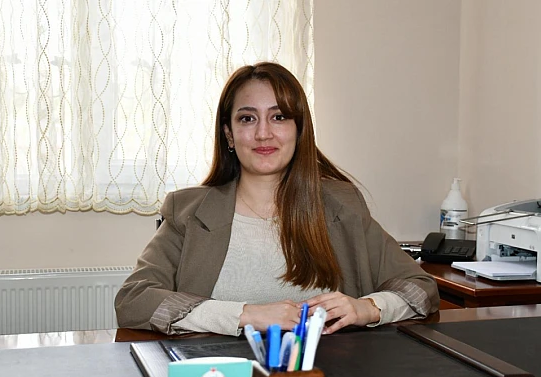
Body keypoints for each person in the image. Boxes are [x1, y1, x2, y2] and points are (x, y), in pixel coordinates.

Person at [115, 62, 439, 336]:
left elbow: (420, 288)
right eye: (247, 118)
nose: (263, 133)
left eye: (279, 117)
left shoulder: (342, 205)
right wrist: (246, 315)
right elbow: (134, 300)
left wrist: (367, 308)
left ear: (299, 130)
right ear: (229, 135)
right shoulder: (188, 211)